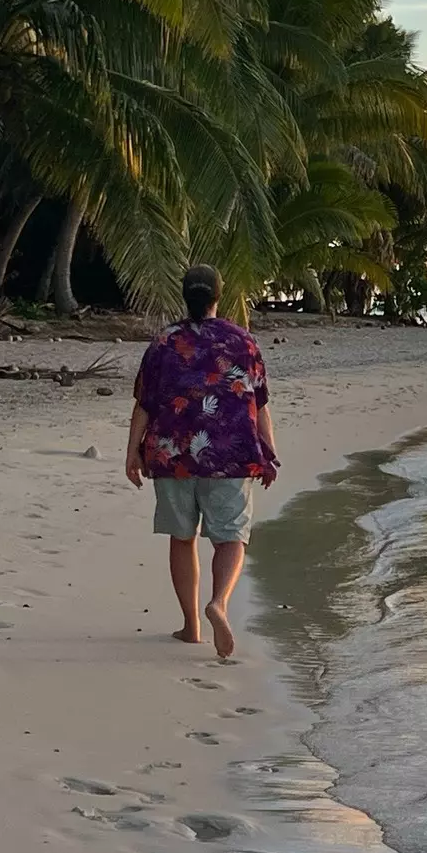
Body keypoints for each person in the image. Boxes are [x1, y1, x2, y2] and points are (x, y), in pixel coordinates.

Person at [123, 264, 278, 660]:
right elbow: (258, 404)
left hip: (172, 456)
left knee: (183, 537)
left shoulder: (163, 342)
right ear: (217, 297)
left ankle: (192, 627)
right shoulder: (243, 342)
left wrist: (132, 452)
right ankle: (219, 603)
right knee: (230, 538)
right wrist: (269, 454)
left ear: (184, 296)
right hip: (230, 455)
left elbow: (144, 404)